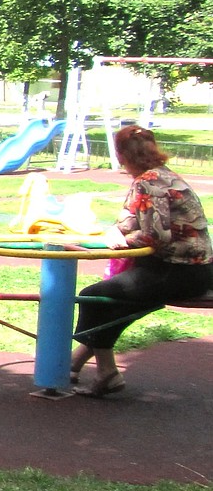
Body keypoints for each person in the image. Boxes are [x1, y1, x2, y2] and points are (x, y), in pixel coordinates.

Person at [71, 124, 211, 397]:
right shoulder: (163, 176)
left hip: (177, 271)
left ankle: (106, 373)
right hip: (198, 270)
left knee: (92, 298)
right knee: (114, 308)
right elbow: (130, 218)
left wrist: (123, 241)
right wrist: (116, 230)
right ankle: (76, 364)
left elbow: (156, 236)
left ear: (121, 155)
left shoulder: (147, 183)